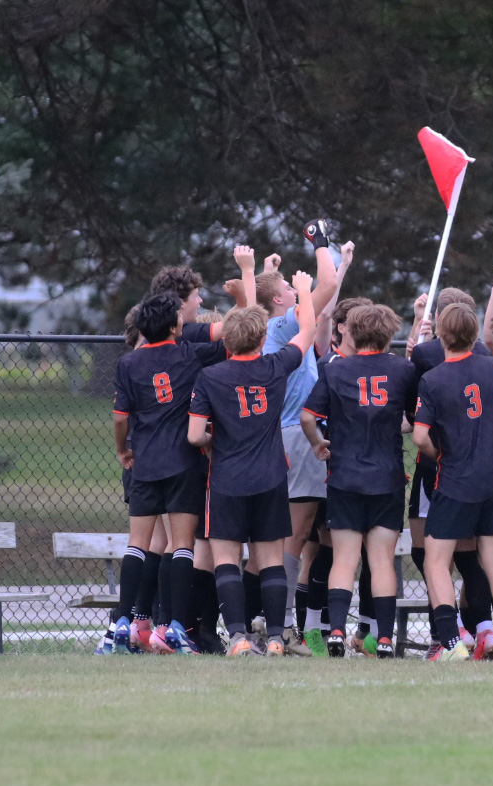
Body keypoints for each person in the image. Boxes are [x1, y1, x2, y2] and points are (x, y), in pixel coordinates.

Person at [187, 271, 317, 656]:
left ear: (225, 339)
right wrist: (305, 292)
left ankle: (239, 638)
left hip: (227, 478)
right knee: (271, 559)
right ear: (263, 339)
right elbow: (307, 329)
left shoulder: (210, 376)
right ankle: (276, 638)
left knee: (226, 559)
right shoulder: (274, 367)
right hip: (271, 476)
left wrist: (216, 441)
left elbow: (195, 435)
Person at [110, 290, 227, 654]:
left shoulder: (128, 363)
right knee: (181, 546)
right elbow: (229, 339)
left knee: (138, 545)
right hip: (183, 462)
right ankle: (176, 626)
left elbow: (119, 417)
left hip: (144, 464)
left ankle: (122, 623)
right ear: (175, 324)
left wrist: (122, 450)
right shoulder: (187, 354)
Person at [301, 304, 417, 658]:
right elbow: (415, 419)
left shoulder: (337, 370)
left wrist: (319, 444)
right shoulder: (403, 369)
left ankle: (335, 631)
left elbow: (308, 415)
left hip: (345, 475)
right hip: (387, 476)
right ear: (388, 333)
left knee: (344, 558)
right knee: (381, 559)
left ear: (352, 331)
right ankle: (383, 638)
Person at [412, 303, 493, 661]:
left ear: (442, 334)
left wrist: (438, 453)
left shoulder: (433, 378)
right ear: (477, 334)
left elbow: (418, 437)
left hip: (455, 480)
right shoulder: (492, 367)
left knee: (435, 561)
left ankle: (449, 643)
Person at [250, 221, 338, 651]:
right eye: (287, 286)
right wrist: (319, 241)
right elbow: (329, 283)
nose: (292, 288)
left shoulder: (273, 326)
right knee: (296, 535)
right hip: (297, 437)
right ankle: (280, 625)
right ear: (278, 302)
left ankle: (284, 622)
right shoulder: (282, 325)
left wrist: (265, 272)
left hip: (289, 437)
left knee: (304, 536)